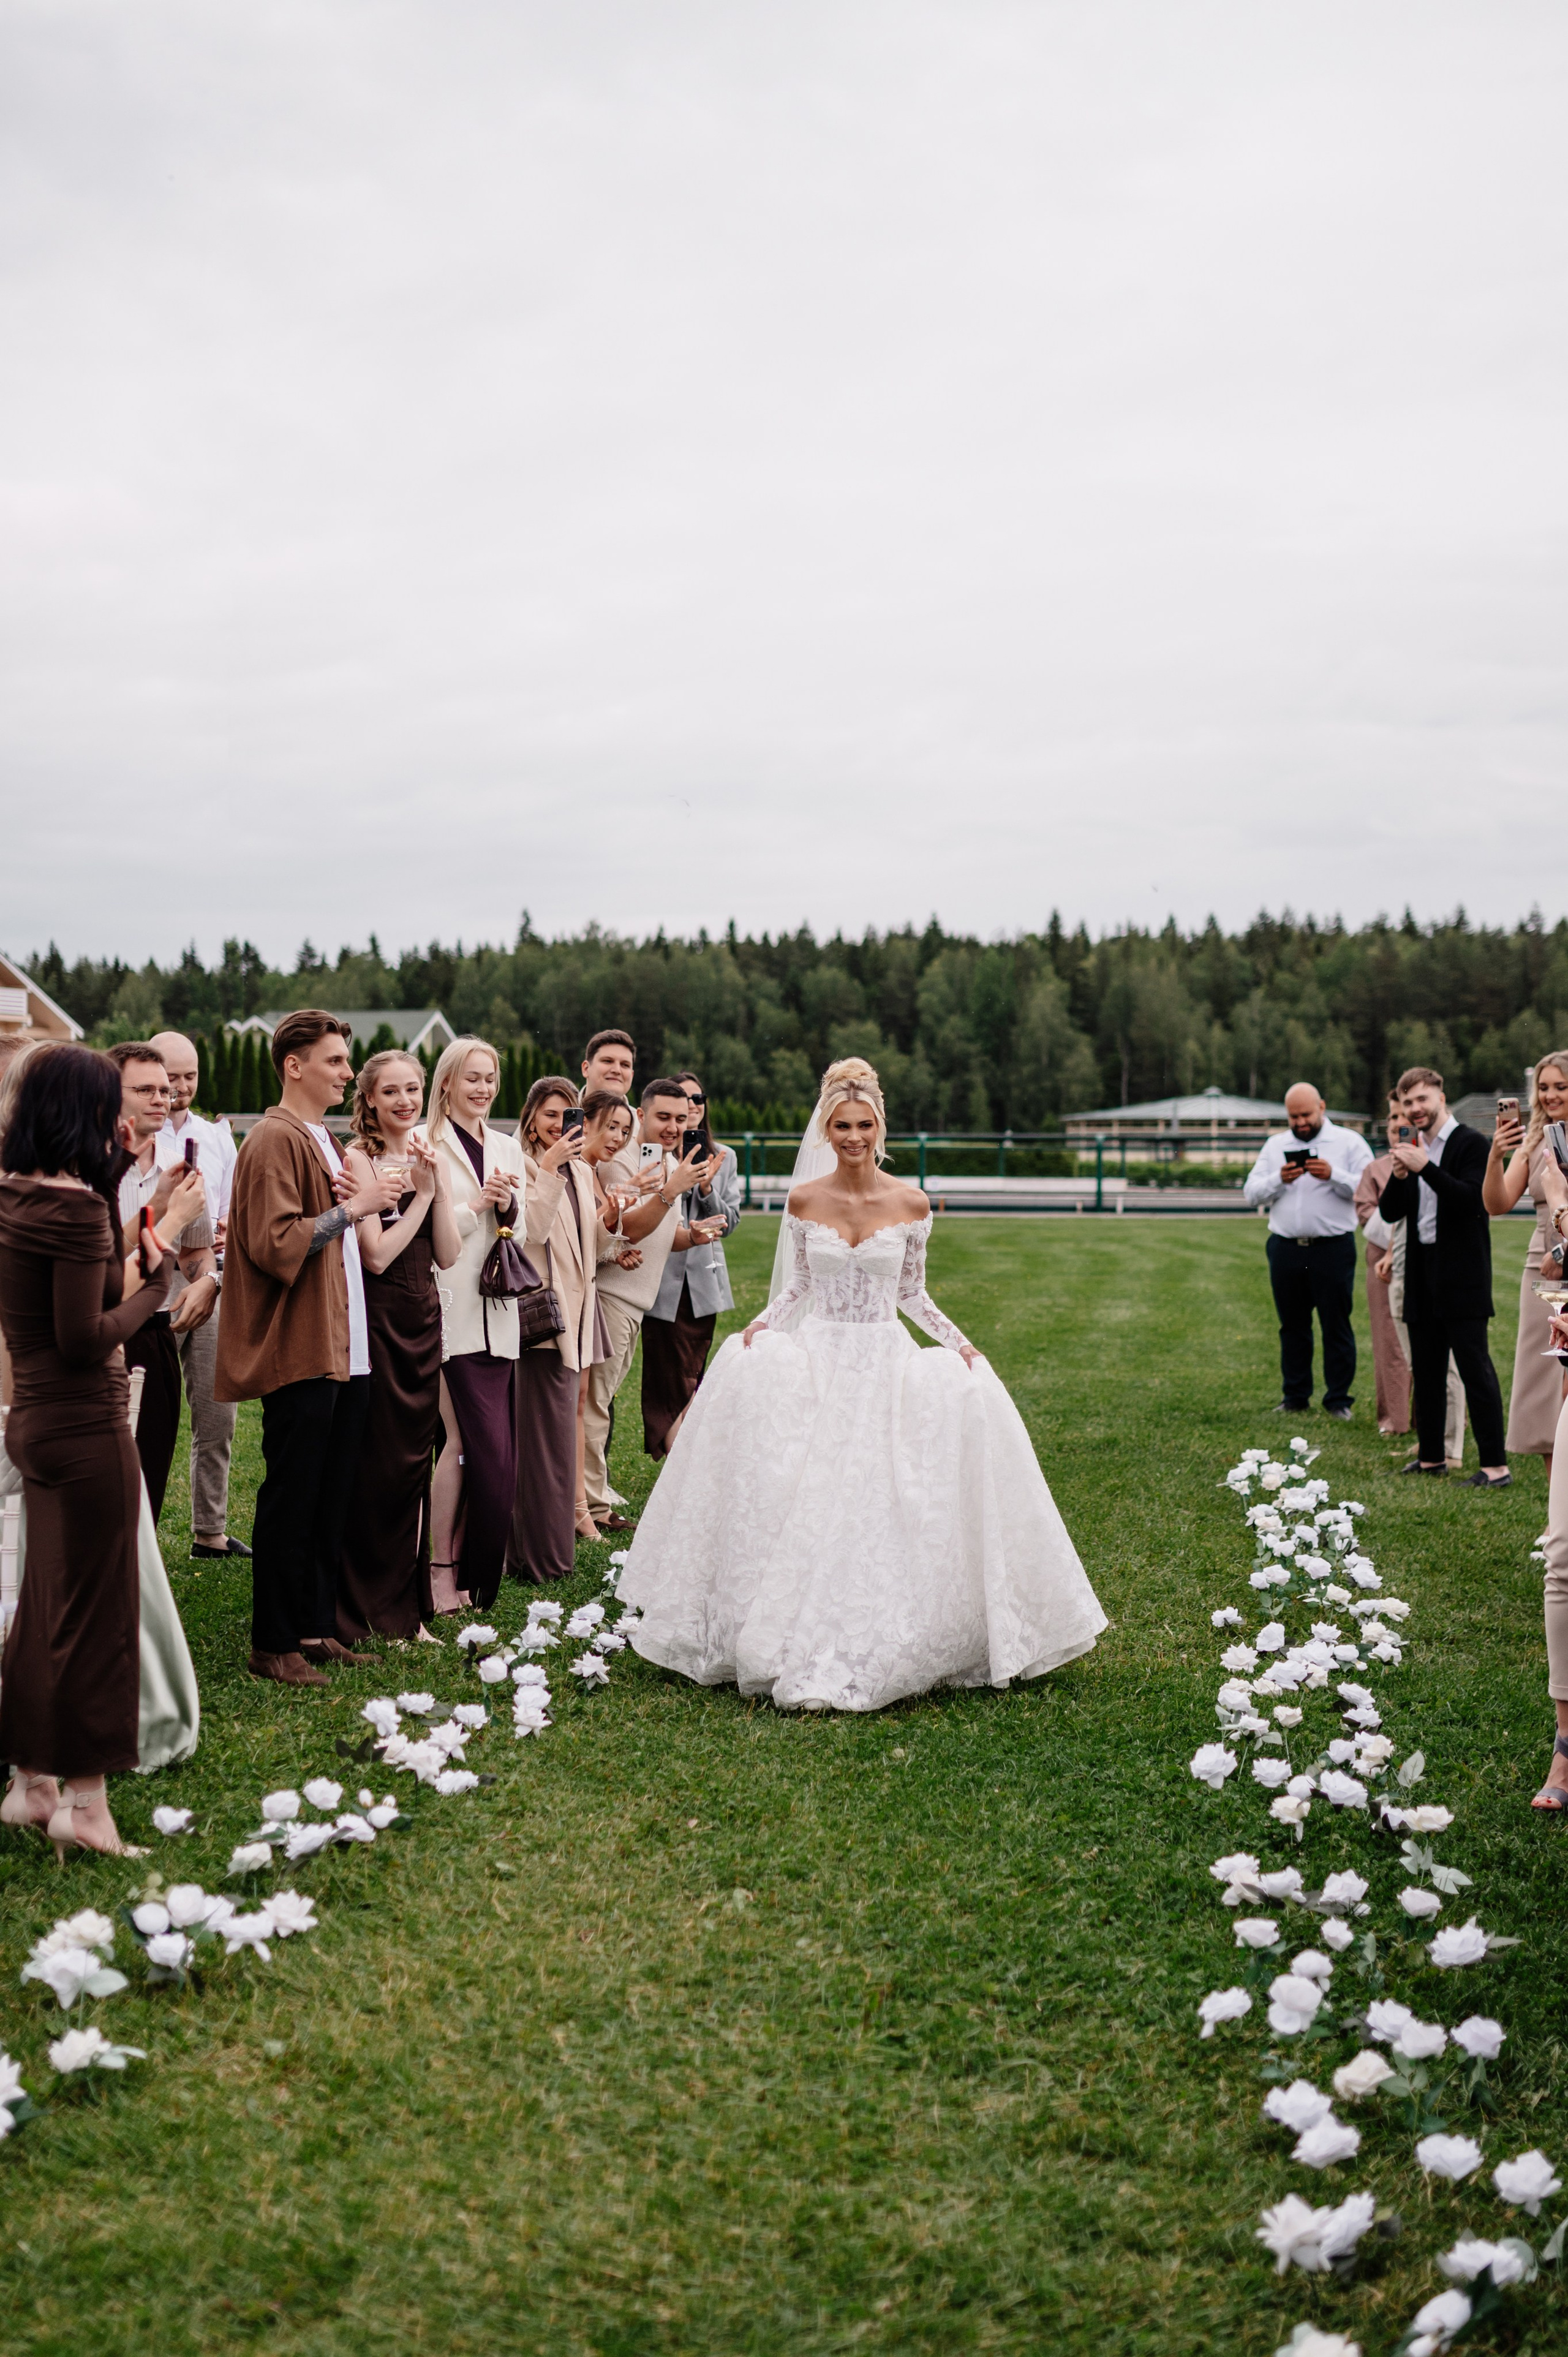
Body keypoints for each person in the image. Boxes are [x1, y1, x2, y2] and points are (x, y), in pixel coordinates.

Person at [619, 1057, 1107, 1711]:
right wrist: (761, 1327)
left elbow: (912, 1293)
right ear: (828, 1127)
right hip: (818, 1355)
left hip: (883, 1360)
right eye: (842, 1125)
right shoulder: (804, 1199)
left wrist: (959, 1344)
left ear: (880, 1127)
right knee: (803, 1487)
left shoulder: (910, 1202)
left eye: (864, 1124)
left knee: (882, 1494)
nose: (853, 1136)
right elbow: (798, 1286)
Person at [0, 1046, 201, 1854]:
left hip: (32, 1424)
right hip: (86, 1428)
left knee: (43, 1606)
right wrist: (157, 1288)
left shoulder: (13, 1196)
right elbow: (86, 1337)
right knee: (97, 1619)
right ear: (81, 1113)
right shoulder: (79, 1210)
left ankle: (29, 1783)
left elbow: (53, 1313)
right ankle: (85, 1806)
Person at [215, 1010, 402, 1686]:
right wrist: (356, 1208)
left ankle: (315, 1627)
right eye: (334, 1061)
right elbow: (274, 1242)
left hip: (343, 1347)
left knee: (331, 1494)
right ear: (294, 1066)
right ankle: (272, 1642)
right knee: (293, 1494)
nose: (348, 1072)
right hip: (301, 1349)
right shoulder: (272, 1138)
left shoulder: (322, 1137)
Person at [336, 1051, 461, 1640]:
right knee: (381, 1466)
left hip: (424, 1316)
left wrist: (435, 1188)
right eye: (392, 1092)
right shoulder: (359, 1158)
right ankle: (370, 1605)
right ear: (370, 1100)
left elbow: (450, 1254)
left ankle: (408, 1612)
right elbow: (377, 1255)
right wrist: (419, 1197)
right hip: (379, 1321)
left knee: (416, 1464)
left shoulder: (427, 1154)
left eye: (413, 1089)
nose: (405, 1100)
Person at [417, 1035, 528, 1612]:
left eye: (490, 1078)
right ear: (447, 1083)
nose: (483, 1088)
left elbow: (525, 1233)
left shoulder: (508, 1148)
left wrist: (509, 1209)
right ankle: (440, 1571)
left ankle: (471, 1569)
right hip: (447, 1314)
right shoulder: (425, 1144)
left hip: (499, 1319)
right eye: (472, 1078)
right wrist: (476, 1206)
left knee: (494, 1460)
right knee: (462, 1444)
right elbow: (425, 1235)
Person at [583, 1080, 712, 1534]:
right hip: (611, 1297)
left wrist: (691, 1237)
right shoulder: (623, 1161)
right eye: (664, 1117)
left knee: (602, 1399)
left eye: (682, 1118)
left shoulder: (669, 1163)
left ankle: (588, 1500)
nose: (674, 1126)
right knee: (595, 1405)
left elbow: (659, 1234)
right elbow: (629, 1229)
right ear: (643, 1114)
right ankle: (593, 1508)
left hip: (637, 1301)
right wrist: (670, 1192)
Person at [1379, 1065, 1509, 1487]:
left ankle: (1495, 1465)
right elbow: (1390, 1213)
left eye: (1421, 1099)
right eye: (1407, 1103)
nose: (1415, 1109)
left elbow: (1474, 1200)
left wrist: (1425, 1169)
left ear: (1440, 1095)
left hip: (1463, 1273)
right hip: (1422, 1270)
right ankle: (1431, 1457)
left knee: (1475, 1368)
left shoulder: (1470, 1143)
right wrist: (1401, 1177)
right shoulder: (1415, 1146)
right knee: (1428, 1369)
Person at [509, 1076, 614, 1578]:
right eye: (551, 1114)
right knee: (541, 1436)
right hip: (538, 1320)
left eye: (568, 1115)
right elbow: (529, 1235)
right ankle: (535, 1554)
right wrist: (548, 1170)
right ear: (530, 1116)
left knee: (558, 1433)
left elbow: (585, 1241)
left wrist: (609, 1222)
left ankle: (549, 1549)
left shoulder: (579, 1168)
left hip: (575, 1314)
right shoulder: (518, 1163)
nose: (560, 1125)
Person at [149, 1029, 246, 1560]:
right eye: (171, 1078)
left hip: (208, 1274)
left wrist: (226, 1229)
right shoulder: (138, 1135)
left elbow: (232, 1198)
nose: (181, 1088)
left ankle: (210, 1530)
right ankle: (139, 1525)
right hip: (155, 1275)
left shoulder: (217, 1134)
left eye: (190, 1077)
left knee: (216, 1408)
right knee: (153, 1410)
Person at [108, 1041, 210, 1521]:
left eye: (165, 1089)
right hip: (99, 1333)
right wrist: (163, 1217)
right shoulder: (85, 1165)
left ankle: (135, 1586)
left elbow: (197, 1250)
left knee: (148, 1482)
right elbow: (102, 1266)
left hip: (156, 1332)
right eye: (145, 1088)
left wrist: (208, 1280)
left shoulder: (182, 1160)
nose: (161, 1098)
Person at [1242, 1083, 1373, 1420]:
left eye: (1306, 1115)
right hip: (1286, 1248)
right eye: (1293, 1116)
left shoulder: (1349, 1142)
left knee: (1335, 1323)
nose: (1300, 1122)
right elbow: (1251, 1192)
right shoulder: (1275, 1145)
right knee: (1292, 1325)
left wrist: (1334, 1175)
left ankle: (1338, 1400)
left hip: (1332, 1248)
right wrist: (1278, 1180)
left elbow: (1371, 1188)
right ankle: (1295, 1397)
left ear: (1322, 1108)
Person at [1357, 1112, 1466, 1466]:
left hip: (1425, 1271)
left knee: (1443, 1363)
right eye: (1392, 1129)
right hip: (1404, 1269)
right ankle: (1431, 1442)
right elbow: (1394, 1216)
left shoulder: (1439, 1158)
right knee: (1420, 1362)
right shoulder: (1396, 1166)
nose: (1399, 1134)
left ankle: (1449, 1448)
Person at [642, 1071, 741, 1458]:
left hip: (703, 1283)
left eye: (698, 1100)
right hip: (661, 1279)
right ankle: (679, 1460)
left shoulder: (724, 1156)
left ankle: (684, 1462)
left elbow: (729, 1223)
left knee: (694, 1375)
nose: (693, 1107)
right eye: (684, 1102)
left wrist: (705, 1187)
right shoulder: (654, 1154)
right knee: (668, 1377)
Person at [1483, 1050, 1568, 1477]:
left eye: (1561, 1086)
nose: (1550, 1095)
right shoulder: (1534, 1139)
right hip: (1543, 1276)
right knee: (1544, 1388)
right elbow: (1496, 1203)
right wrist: (1496, 1156)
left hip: (1565, 1258)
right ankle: (1558, 1518)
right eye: (1544, 1086)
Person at [580, 1029, 636, 1101]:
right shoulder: (562, 1111)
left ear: (632, 1075)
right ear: (586, 1069)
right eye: (608, 1061)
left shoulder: (642, 1113)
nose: (617, 1070)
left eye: (625, 1065)